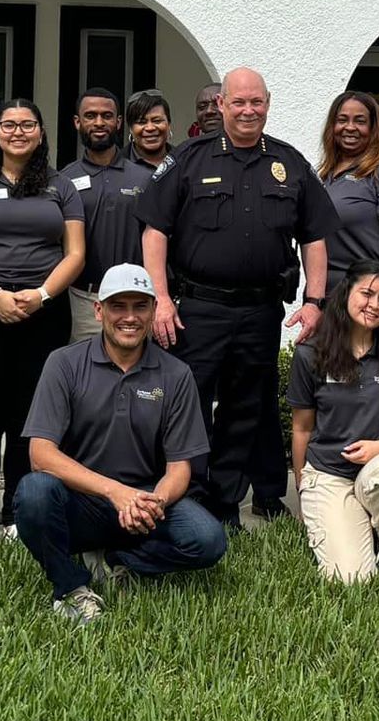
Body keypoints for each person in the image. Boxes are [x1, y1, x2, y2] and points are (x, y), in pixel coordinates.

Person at [137, 66, 337, 529]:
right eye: (239, 102)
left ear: (268, 104)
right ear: (221, 105)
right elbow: (155, 230)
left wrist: (314, 301)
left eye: (257, 102)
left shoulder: (289, 163)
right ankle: (190, 493)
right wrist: (160, 299)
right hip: (199, 308)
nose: (249, 111)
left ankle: (223, 503)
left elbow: (315, 237)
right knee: (189, 403)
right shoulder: (189, 158)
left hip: (261, 309)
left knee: (247, 406)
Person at [14, 264, 226, 626]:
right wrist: (115, 493)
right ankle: (71, 588)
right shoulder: (63, 364)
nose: (129, 317)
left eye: (140, 306)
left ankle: (118, 561)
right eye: (118, 306)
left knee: (208, 541)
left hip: (145, 501)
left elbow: (179, 470)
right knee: (34, 493)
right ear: (99, 311)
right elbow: (41, 455)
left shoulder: (176, 374)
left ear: (154, 310)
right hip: (81, 500)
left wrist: (152, 503)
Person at [0, 98, 87, 540]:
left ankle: (17, 513)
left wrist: (42, 294)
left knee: (30, 416)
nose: (18, 131)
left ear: (41, 133)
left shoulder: (59, 185)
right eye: (9, 124)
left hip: (43, 310)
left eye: (28, 124)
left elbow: (76, 253)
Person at [287, 259, 379, 580]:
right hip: (328, 473)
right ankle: (354, 519)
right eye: (367, 294)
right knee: (350, 577)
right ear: (346, 292)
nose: (375, 305)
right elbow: (301, 428)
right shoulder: (311, 354)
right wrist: (302, 487)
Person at [55, 87, 155, 338]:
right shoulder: (63, 180)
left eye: (107, 116)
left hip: (135, 299)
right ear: (77, 122)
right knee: (86, 373)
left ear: (118, 122)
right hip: (83, 300)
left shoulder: (145, 179)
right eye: (90, 116)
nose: (99, 122)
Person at [315, 90, 379, 283]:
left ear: (373, 128)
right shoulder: (326, 174)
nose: (350, 127)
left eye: (360, 121)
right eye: (342, 120)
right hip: (324, 290)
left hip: (364, 290)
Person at [125, 89, 174, 173]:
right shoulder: (115, 164)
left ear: (169, 124)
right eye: (141, 122)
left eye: (157, 121)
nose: (150, 128)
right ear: (130, 128)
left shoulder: (183, 160)